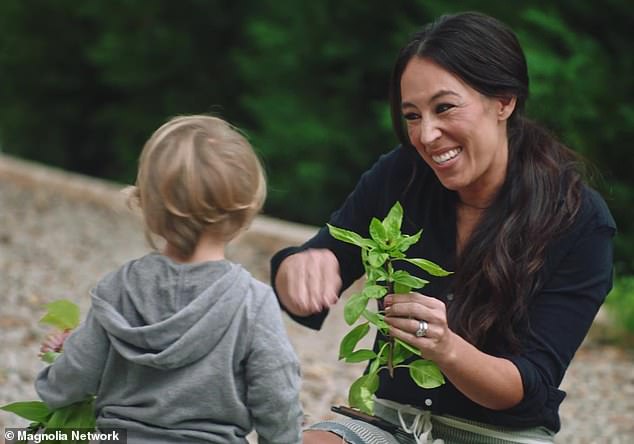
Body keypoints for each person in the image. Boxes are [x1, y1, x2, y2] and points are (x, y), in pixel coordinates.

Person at [271, 11, 615, 444]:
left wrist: (447, 348)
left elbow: (530, 388)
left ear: (504, 101)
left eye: (444, 107)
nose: (427, 135)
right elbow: (315, 275)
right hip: (392, 423)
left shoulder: (579, 219)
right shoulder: (401, 175)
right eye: (412, 115)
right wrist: (299, 269)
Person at [35, 115, 304, 444]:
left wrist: (54, 373)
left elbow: (76, 374)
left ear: (145, 205)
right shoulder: (253, 302)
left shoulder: (118, 288)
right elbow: (277, 395)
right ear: (245, 212)